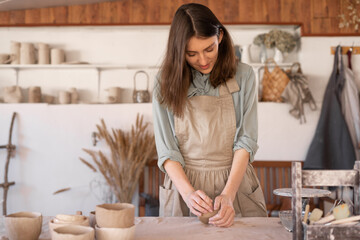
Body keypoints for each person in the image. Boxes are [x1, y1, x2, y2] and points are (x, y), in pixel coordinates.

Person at [152, 3, 267, 227]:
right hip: (185, 186)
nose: (203, 60)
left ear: (220, 36)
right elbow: (167, 150)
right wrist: (188, 194)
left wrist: (229, 195)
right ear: (178, 50)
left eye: (209, 49)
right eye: (191, 53)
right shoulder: (164, 82)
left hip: (236, 183)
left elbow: (246, 140)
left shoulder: (244, 75)